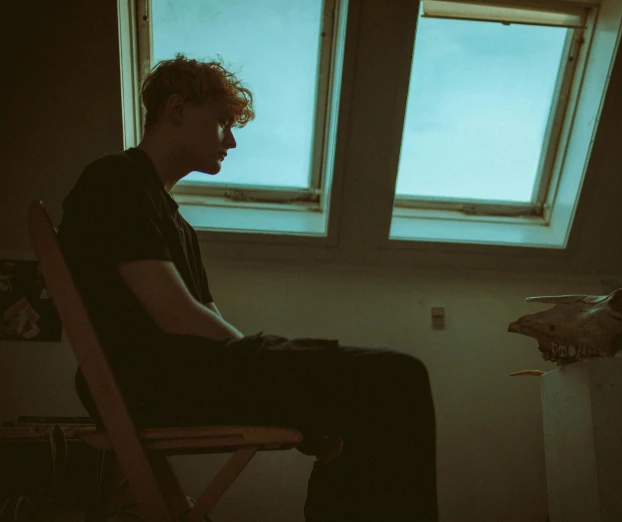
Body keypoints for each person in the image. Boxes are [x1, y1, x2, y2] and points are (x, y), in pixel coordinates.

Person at [57, 54, 438, 522]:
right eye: (221, 122)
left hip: (178, 375)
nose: (231, 140)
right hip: (150, 382)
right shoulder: (115, 180)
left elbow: (206, 319)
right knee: (397, 378)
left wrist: (281, 382)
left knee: (364, 404)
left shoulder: (173, 219)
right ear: (176, 110)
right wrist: (265, 363)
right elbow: (177, 317)